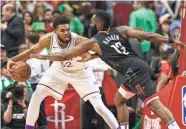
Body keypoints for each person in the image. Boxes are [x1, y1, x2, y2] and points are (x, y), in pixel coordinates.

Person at [32, 10, 186, 129]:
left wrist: (46, 57)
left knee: (155, 105)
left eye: (93, 22)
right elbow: (148, 35)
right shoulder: (122, 29)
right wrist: (171, 41)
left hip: (134, 72)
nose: (91, 24)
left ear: (98, 24)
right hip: (137, 66)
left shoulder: (93, 42)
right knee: (120, 100)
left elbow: (67, 54)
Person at [7, 15, 120, 129]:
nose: (66, 33)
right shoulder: (48, 39)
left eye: (68, 29)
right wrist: (12, 60)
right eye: (62, 30)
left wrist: (93, 56)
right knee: (37, 95)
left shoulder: (79, 41)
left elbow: (103, 48)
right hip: (59, 71)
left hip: (81, 73)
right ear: (55, 31)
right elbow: (31, 51)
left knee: (99, 107)